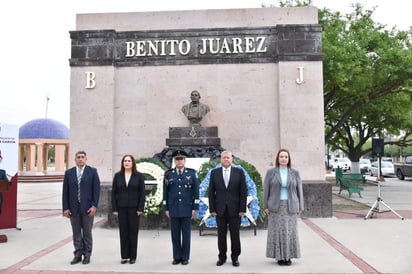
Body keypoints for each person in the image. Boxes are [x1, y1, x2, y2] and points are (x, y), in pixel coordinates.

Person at [263, 148, 304, 266]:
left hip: (291, 206)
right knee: (278, 231)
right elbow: (266, 190)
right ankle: (279, 257)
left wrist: (300, 206)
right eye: (281, 156)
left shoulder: (294, 172)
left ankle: (288, 256)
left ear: (289, 159)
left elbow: (299, 190)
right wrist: (265, 205)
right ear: (278, 158)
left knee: (289, 231)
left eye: (286, 157)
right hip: (275, 206)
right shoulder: (271, 172)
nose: (283, 159)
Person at [208, 150, 247, 267]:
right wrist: (212, 209)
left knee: (235, 235)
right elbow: (211, 192)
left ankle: (235, 257)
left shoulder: (239, 172)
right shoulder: (214, 173)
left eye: (228, 158)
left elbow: (243, 192)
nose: (226, 159)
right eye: (224, 158)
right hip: (220, 209)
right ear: (221, 159)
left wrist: (242, 209)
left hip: (235, 210)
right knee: (221, 235)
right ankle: (222, 257)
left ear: (231, 159)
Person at [62, 151, 100, 265]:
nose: (80, 159)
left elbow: (96, 190)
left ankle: (87, 255)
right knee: (76, 232)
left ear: (86, 159)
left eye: (82, 157)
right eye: (78, 157)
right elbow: (65, 192)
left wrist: (94, 206)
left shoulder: (92, 172)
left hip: (88, 208)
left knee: (87, 232)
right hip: (73, 209)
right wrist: (65, 208)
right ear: (75, 160)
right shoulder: (69, 173)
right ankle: (78, 254)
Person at [162, 150, 200, 265]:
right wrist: (166, 208)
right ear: (174, 161)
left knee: (186, 234)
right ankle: (176, 256)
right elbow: (165, 192)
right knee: (175, 234)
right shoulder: (169, 174)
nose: (179, 161)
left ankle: (185, 257)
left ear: (185, 160)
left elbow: (196, 192)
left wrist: (195, 207)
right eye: (177, 159)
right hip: (173, 208)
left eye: (181, 159)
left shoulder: (192, 174)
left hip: (187, 208)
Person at [111, 154, 146, 264]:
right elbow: (114, 193)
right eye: (125, 161)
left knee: (133, 232)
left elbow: (142, 193)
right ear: (122, 163)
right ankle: (124, 256)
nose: (126, 162)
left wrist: (140, 208)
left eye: (129, 161)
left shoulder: (138, 176)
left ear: (132, 163)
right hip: (121, 208)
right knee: (123, 232)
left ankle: (132, 256)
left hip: (134, 208)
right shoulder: (117, 176)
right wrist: (114, 208)